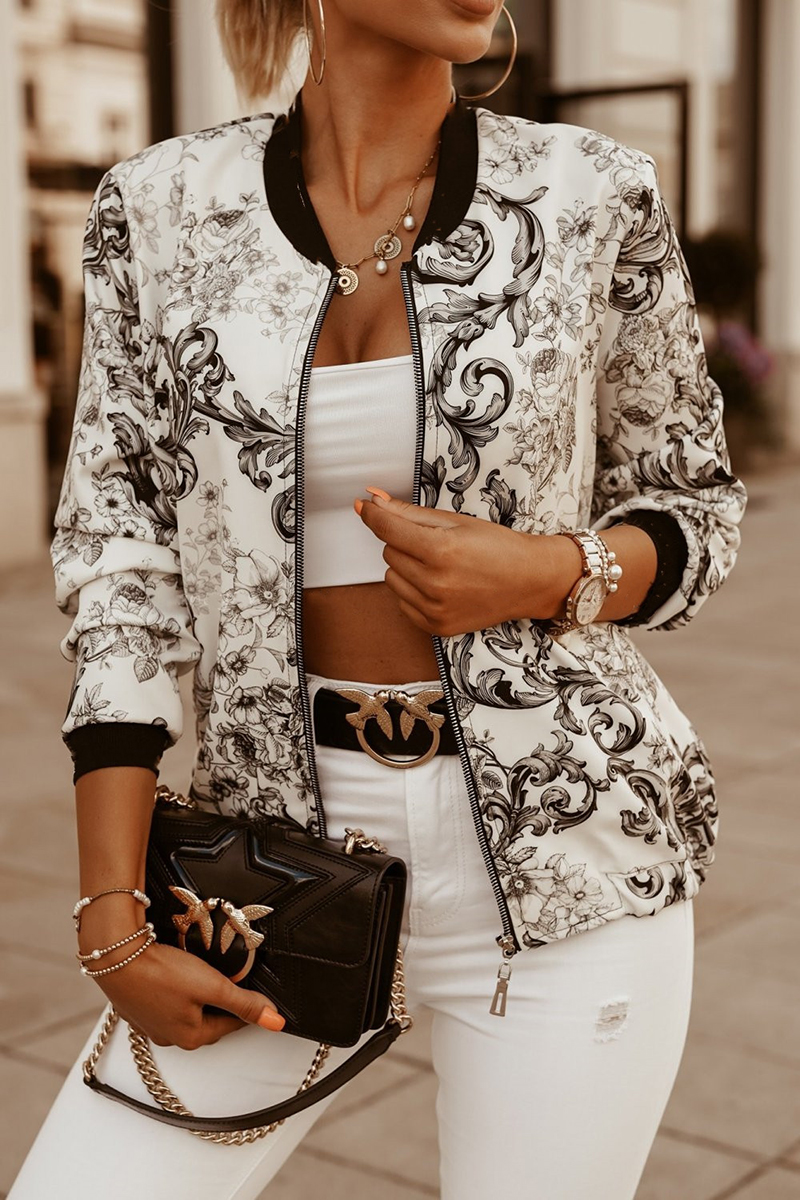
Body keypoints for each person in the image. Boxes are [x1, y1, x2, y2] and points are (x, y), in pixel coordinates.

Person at [10, 1, 747, 1197]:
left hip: (566, 860)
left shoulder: (590, 191)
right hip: (269, 868)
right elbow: (119, 561)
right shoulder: (158, 208)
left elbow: (692, 506)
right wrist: (111, 911)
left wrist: (545, 571)